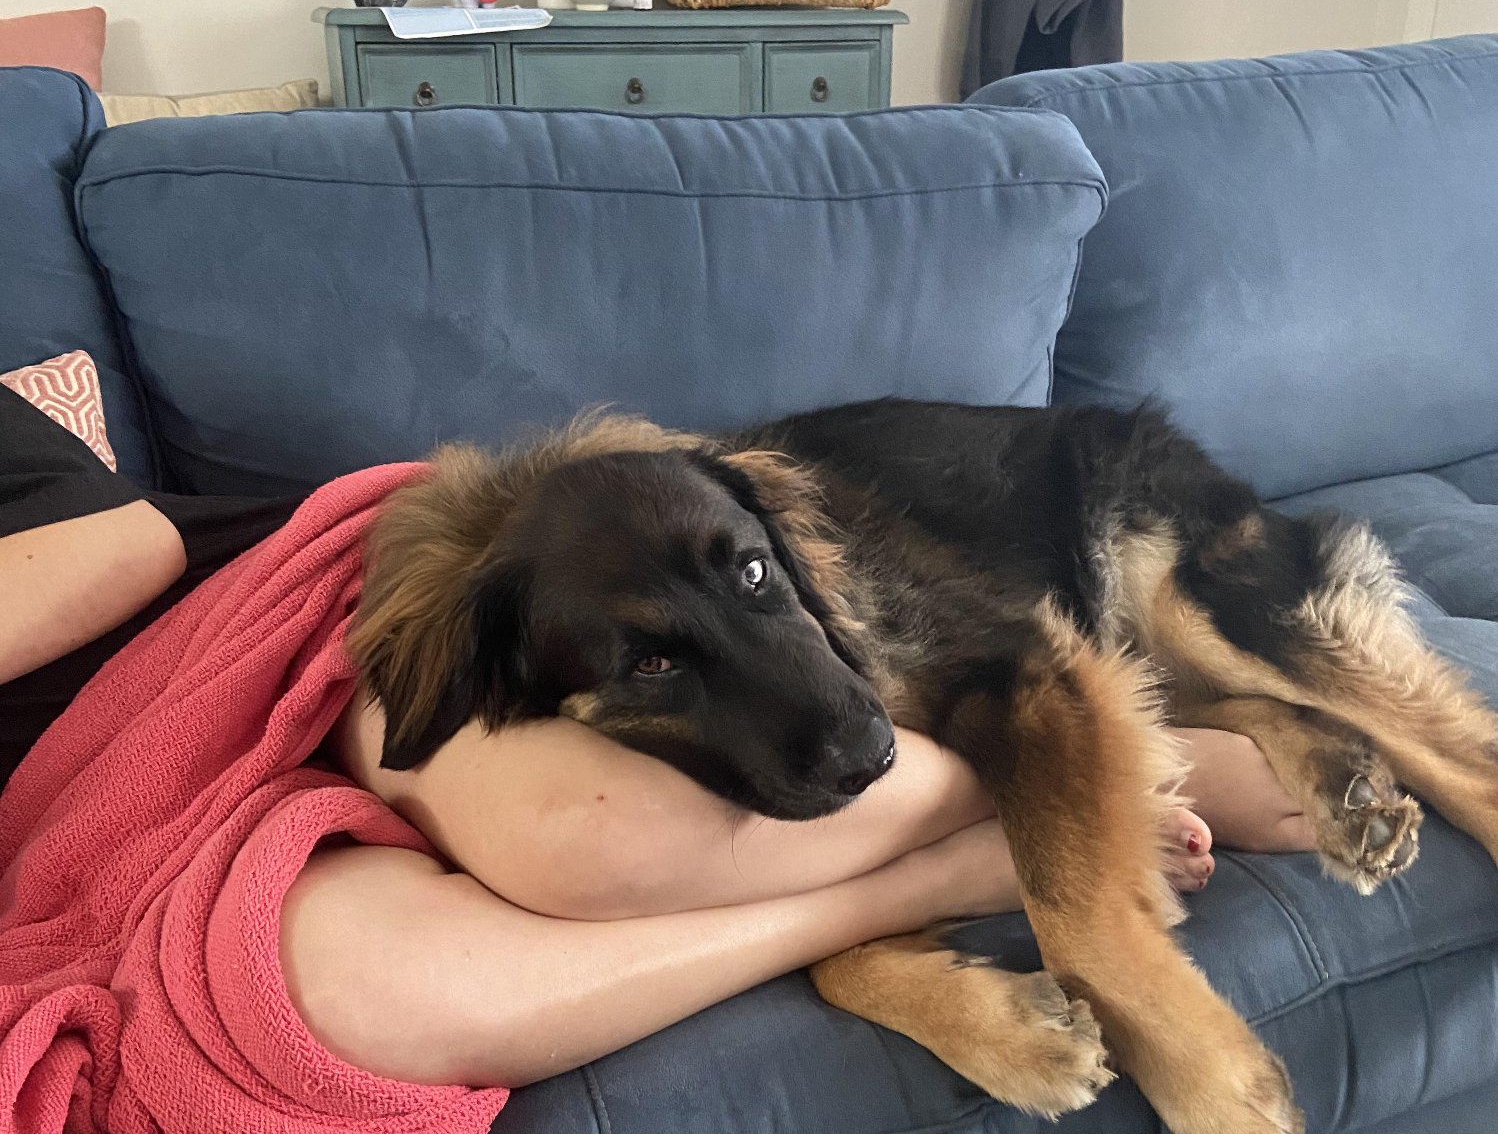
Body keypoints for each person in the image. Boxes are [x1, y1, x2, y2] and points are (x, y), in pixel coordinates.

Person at [0, 385, 1316, 1092]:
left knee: (579, 834)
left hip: (264, 651)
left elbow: (126, 549)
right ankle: (953, 859)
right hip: (113, 840)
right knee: (361, 999)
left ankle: (1080, 761)